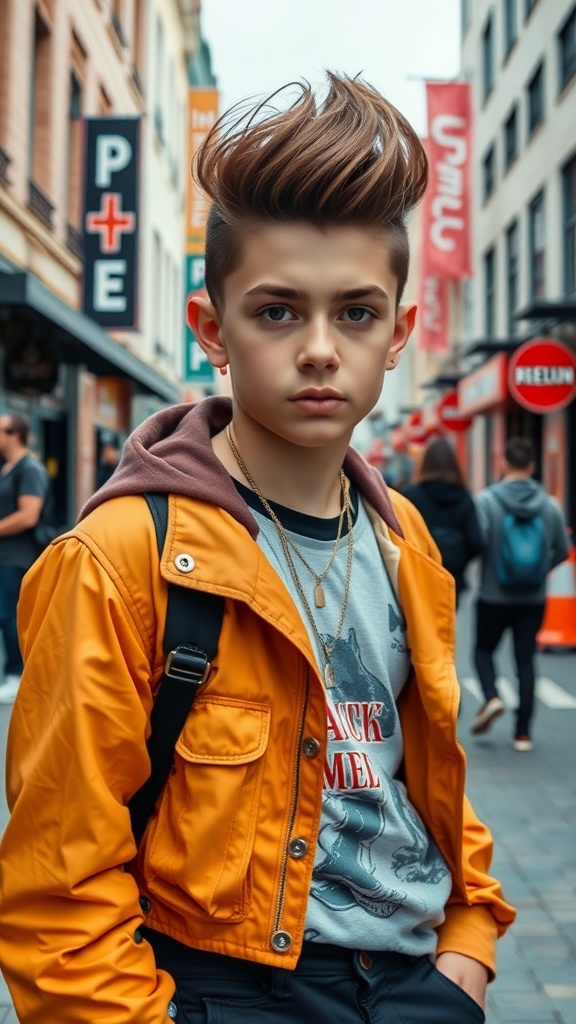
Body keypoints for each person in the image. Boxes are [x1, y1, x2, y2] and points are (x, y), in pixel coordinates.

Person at [0, 75, 515, 1024]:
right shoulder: (121, 556)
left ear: (399, 332)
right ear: (214, 331)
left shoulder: (408, 548)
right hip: (226, 989)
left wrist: (469, 948)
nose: (320, 348)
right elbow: (60, 882)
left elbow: (432, 778)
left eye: (355, 313)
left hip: (418, 986)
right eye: (278, 311)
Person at [470, 436, 569, 752]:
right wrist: (540, 571)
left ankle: (492, 697)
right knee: (525, 660)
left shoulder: (486, 500)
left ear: (502, 463)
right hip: (532, 598)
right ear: (532, 466)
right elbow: (563, 550)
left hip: (492, 595)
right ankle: (523, 734)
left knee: (483, 650)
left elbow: (478, 543)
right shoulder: (550, 504)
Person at [0, 412, 48, 704]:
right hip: (5, 553)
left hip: (19, 556)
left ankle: (17, 675)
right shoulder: (7, 468)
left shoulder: (30, 468)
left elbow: (29, 516)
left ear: (14, 434)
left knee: (10, 616)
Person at [403, 437, 484, 607]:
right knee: (445, 629)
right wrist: (458, 559)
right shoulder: (463, 496)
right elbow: (476, 541)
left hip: (419, 577)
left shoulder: (411, 495)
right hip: (451, 578)